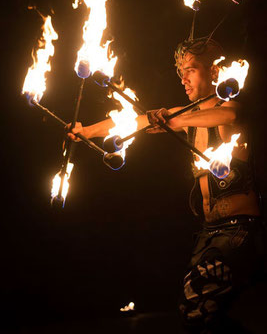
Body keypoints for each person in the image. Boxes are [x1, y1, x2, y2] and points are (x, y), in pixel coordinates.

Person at [67, 38, 266, 333]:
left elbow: (230, 115)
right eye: (181, 72)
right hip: (208, 234)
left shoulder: (229, 108)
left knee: (197, 303)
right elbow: (133, 122)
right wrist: (87, 131)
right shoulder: (186, 118)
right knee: (194, 316)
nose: (183, 78)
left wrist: (172, 120)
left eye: (191, 69)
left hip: (240, 231)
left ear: (214, 72)